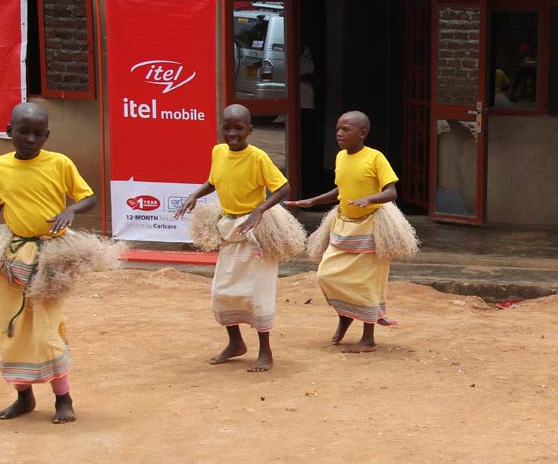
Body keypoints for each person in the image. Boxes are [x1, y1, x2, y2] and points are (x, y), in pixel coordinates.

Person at [0, 102, 98, 424]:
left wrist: (71, 211)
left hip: (48, 257)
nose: (30, 139)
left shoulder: (60, 163)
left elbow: (89, 197)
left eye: (37, 134)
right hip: (10, 257)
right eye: (23, 132)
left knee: (47, 331)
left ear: (47, 136)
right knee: (8, 328)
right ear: (10, 132)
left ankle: (64, 398)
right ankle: (24, 397)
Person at [175, 104, 292, 372]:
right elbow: (214, 182)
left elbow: (284, 187)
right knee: (222, 293)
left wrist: (259, 210)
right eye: (227, 128)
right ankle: (235, 343)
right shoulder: (218, 152)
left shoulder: (259, 157)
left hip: (256, 233)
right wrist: (195, 194)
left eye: (238, 128)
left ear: (250, 130)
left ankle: (266, 351)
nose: (232, 133)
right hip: (230, 230)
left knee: (257, 295)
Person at [286, 111, 413, 353]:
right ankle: (345, 314)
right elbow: (339, 190)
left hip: (372, 226)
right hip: (343, 226)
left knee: (366, 281)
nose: (339, 134)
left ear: (362, 133)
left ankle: (368, 338)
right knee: (326, 274)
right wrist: (311, 202)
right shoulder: (340, 157)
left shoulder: (375, 158)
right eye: (337, 129)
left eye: (346, 129)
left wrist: (370, 199)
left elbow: (391, 192)